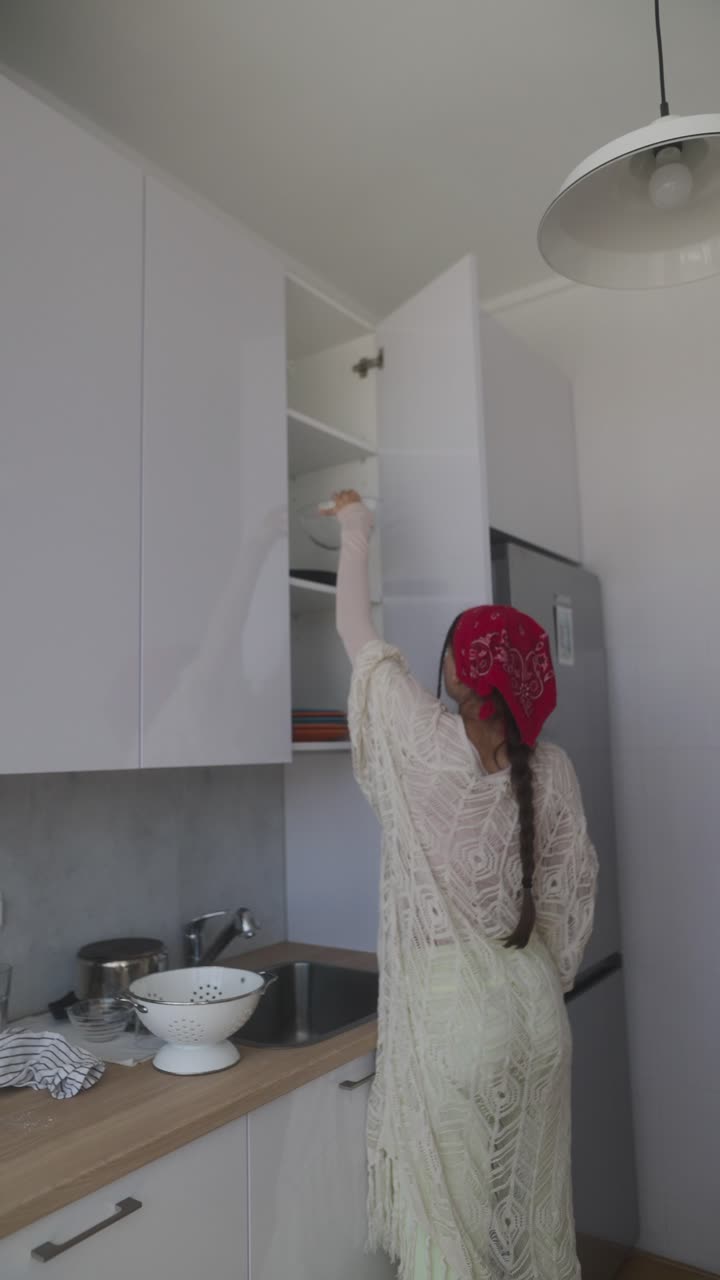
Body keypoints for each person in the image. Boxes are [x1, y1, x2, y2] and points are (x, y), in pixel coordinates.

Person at [330, 490, 599, 1280]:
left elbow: (357, 634)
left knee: (457, 1244)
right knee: (533, 1222)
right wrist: (534, 981)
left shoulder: (420, 739)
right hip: (536, 1016)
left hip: (454, 1027)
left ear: (457, 674)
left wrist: (355, 526)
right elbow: (569, 896)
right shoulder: (552, 768)